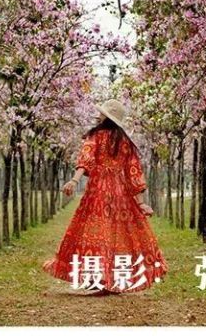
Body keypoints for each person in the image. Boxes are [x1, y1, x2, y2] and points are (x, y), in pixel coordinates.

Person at [43, 100, 166, 295]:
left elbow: (86, 160)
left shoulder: (95, 136)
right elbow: (134, 171)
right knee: (118, 234)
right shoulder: (125, 141)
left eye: (101, 114)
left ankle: (99, 278)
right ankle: (113, 276)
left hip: (98, 191)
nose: (97, 116)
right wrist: (141, 202)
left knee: (96, 232)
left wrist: (74, 181)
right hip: (120, 192)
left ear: (106, 118)